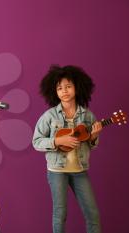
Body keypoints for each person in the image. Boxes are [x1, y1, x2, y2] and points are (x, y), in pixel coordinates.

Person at [32, 65, 102, 233]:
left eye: (68, 86)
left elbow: (92, 144)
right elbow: (36, 141)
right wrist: (57, 140)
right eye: (59, 88)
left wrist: (93, 137)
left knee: (92, 214)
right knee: (60, 213)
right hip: (57, 171)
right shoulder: (49, 116)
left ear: (77, 87)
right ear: (54, 92)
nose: (64, 91)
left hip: (80, 170)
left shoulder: (87, 116)